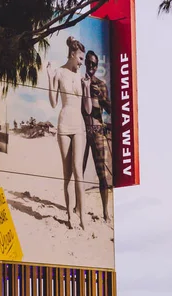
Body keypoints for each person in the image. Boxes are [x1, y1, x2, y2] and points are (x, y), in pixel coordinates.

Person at [47, 36, 91, 229]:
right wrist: (49, 78)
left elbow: (88, 109)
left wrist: (87, 88)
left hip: (79, 124)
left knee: (78, 171)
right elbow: (53, 103)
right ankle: (70, 215)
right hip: (64, 124)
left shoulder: (80, 77)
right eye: (80, 59)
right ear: (73, 54)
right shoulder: (59, 73)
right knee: (68, 174)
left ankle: (82, 217)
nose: (82, 63)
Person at [81, 50, 112, 222]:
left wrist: (100, 96)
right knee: (80, 171)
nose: (91, 66)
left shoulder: (101, 84)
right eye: (89, 63)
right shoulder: (80, 82)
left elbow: (110, 109)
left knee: (102, 175)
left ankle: (106, 212)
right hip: (83, 131)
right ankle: (78, 207)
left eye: (94, 64)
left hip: (98, 131)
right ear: (85, 62)